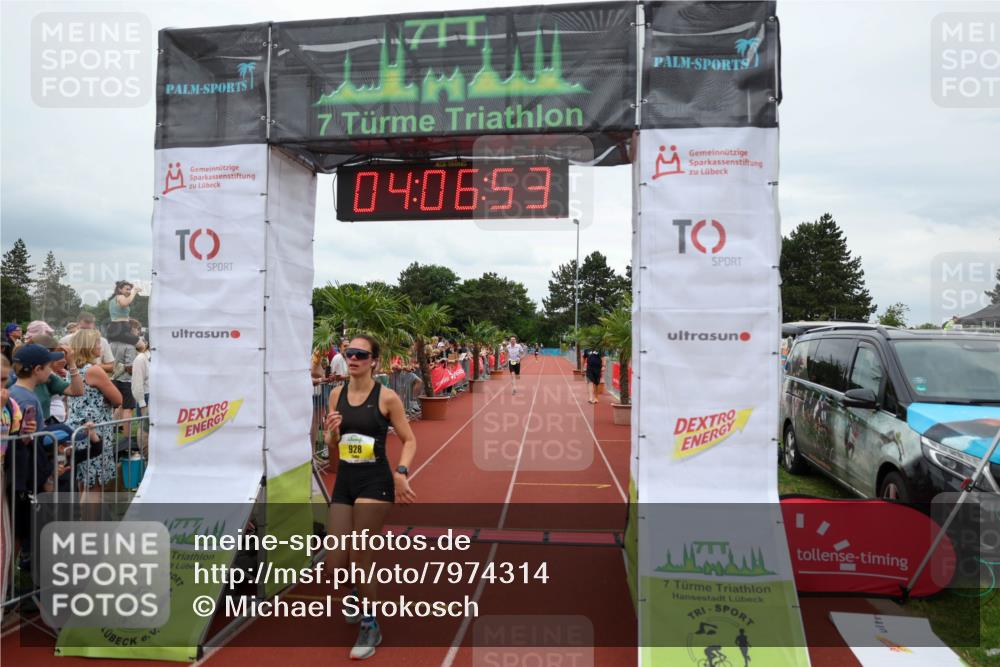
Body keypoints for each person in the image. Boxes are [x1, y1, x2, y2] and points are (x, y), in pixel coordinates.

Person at [322, 334, 416, 660]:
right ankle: (355, 592)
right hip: (345, 482)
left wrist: (401, 473)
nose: (353, 358)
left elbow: (410, 439)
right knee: (335, 562)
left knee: (361, 555)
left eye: (361, 354)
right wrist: (330, 432)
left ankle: (370, 623)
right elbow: (333, 445)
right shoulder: (336, 394)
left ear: (374, 360)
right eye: (350, 353)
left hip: (376, 482)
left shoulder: (387, 397)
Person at [66, 329, 122, 495]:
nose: (101, 346)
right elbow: (118, 399)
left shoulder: (73, 369)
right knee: (95, 485)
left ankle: (83, 519)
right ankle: (91, 521)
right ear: (89, 346)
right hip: (95, 431)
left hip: (77, 428)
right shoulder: (94, 370)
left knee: (83, 481)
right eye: (98, 343)